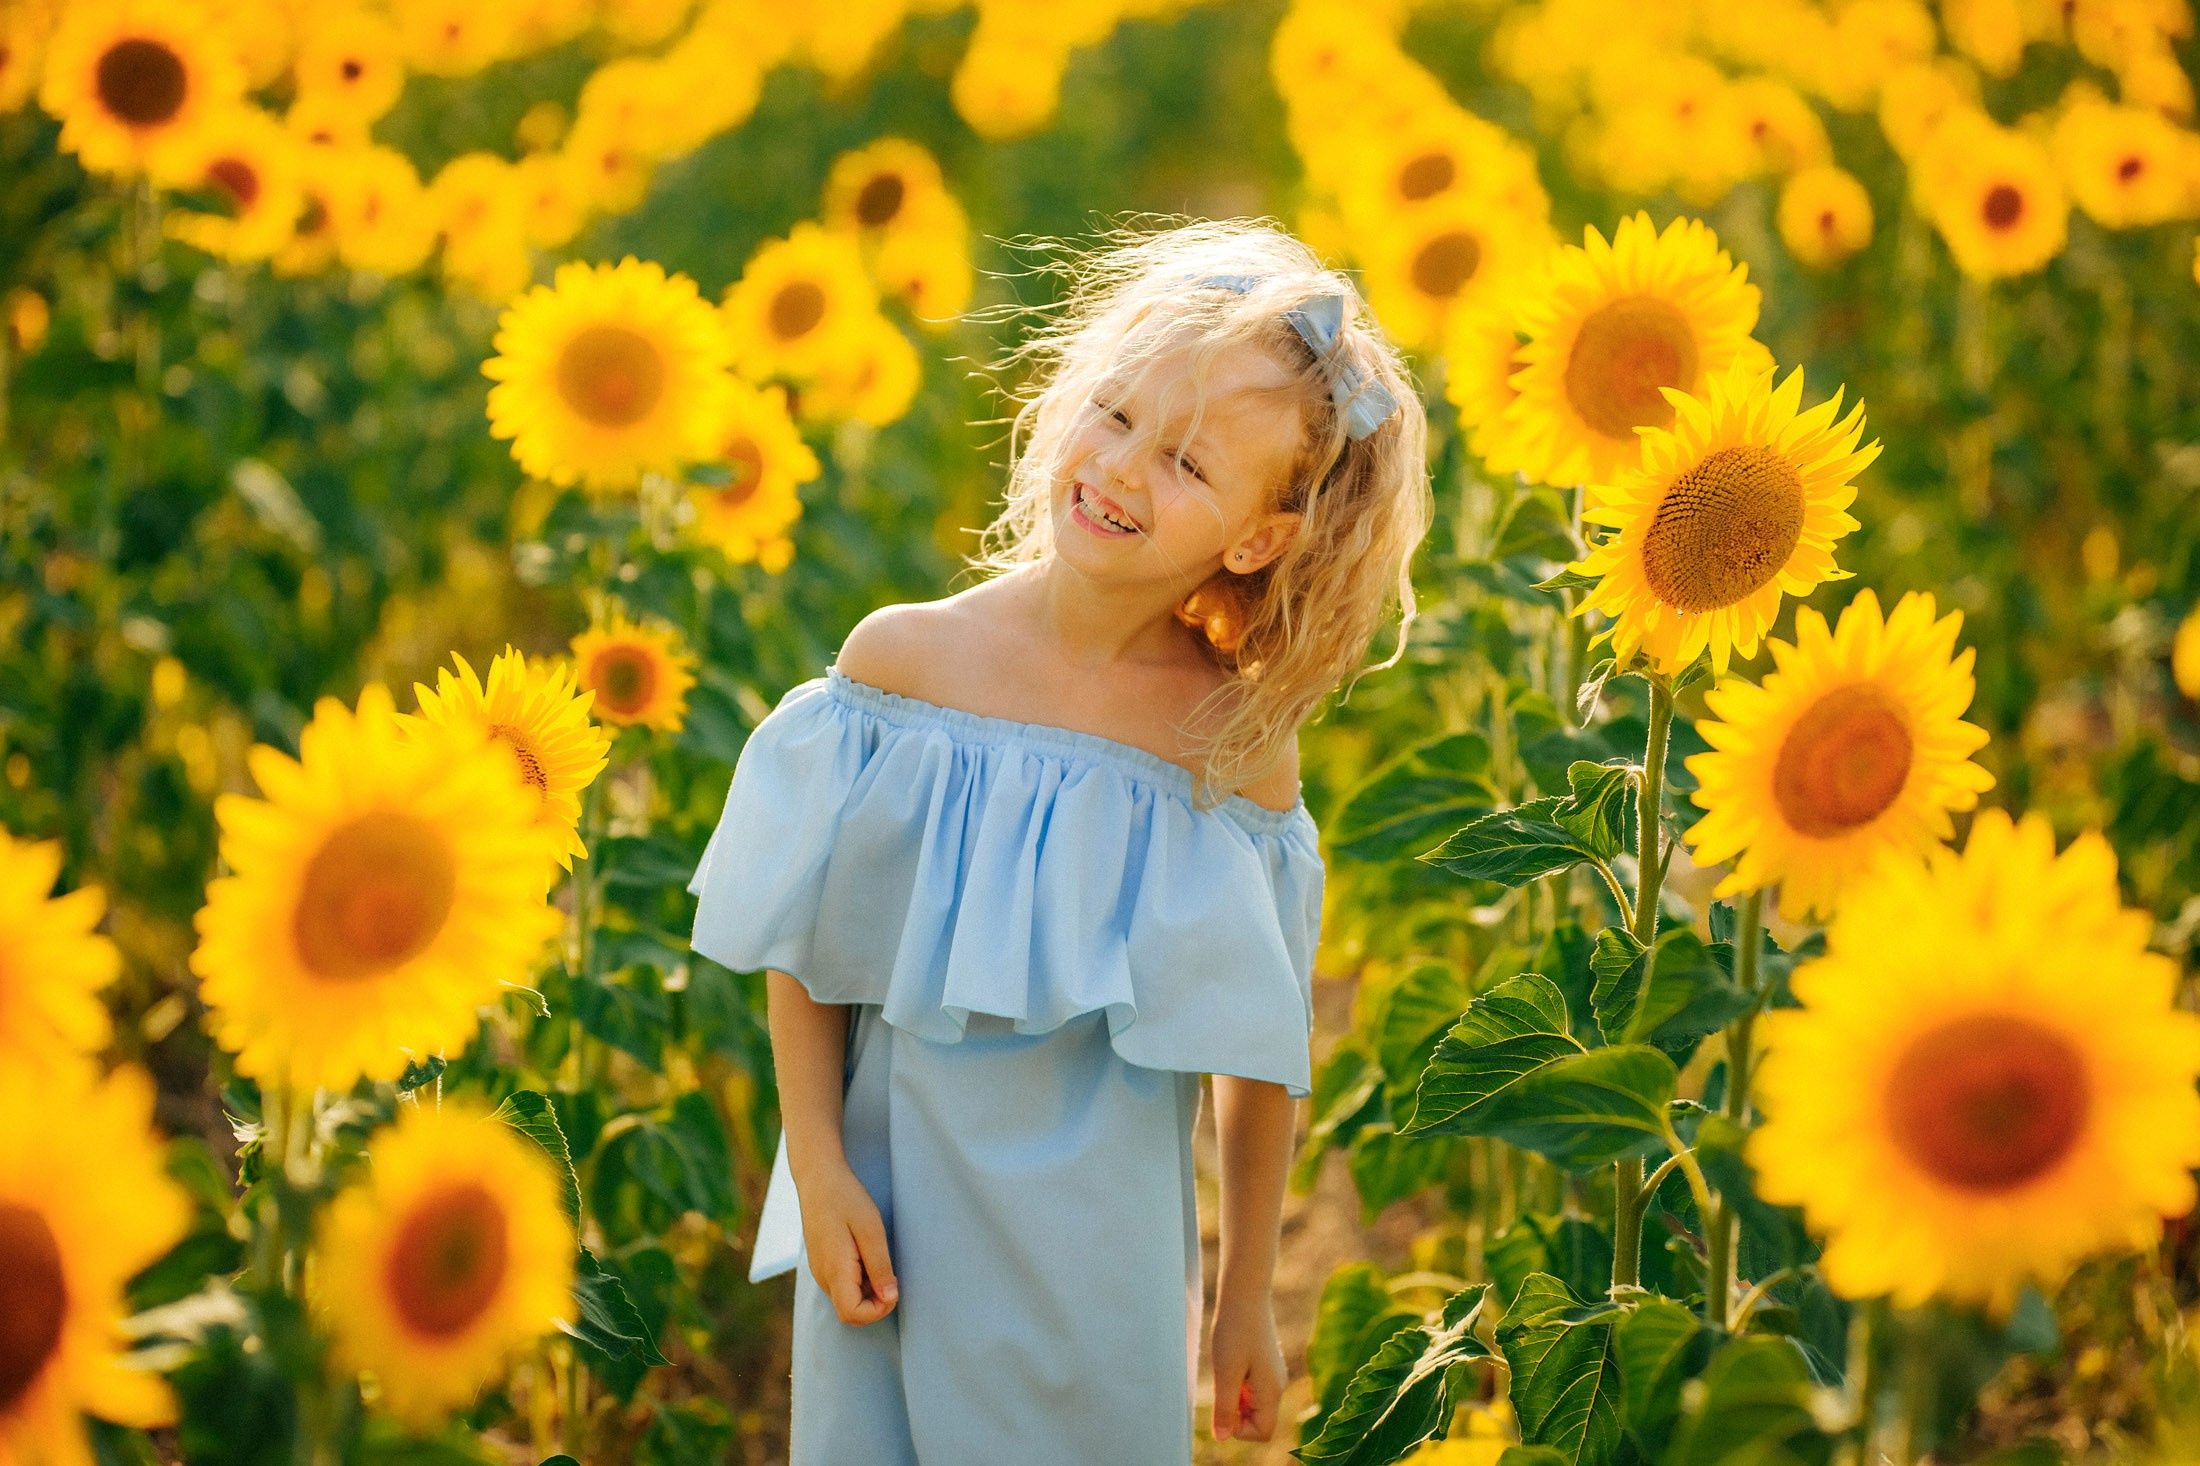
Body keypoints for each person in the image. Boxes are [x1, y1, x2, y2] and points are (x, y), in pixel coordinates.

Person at [686, 218, 1434, 1464]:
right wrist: (813, 1167)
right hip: (885, 1216)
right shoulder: (904, 666)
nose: (1124, 470)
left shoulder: (1227, 747)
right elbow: (810, 949)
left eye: (1189, 463)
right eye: (1117, 413)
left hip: (1100, 1252)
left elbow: (1262, 1056)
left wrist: (1244, 1283)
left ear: (1258, 537)